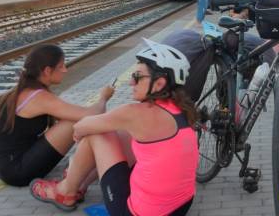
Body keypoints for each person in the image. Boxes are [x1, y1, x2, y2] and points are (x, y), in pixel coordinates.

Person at [29, 40, 198, 215]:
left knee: (98, 134)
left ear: (159, 84)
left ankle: (65, 192)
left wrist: (85, 131)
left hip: (135, 213)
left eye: (138, 76)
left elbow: (81, 127)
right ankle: (80, 183)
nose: (131, 82)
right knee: (122, 133)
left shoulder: (134, 113)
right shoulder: (182, 109)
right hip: (180, 207)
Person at [0, 45, 113, 187]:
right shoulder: (39, 97)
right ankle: (98, 163)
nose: (65, 70)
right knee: (74, 123)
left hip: (9, 167)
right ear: (47, 71)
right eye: (61, 66)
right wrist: (104, 98)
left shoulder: (23, 91)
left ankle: (88, 162)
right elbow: (91, 114)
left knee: (76, 121)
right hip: (18, 172)